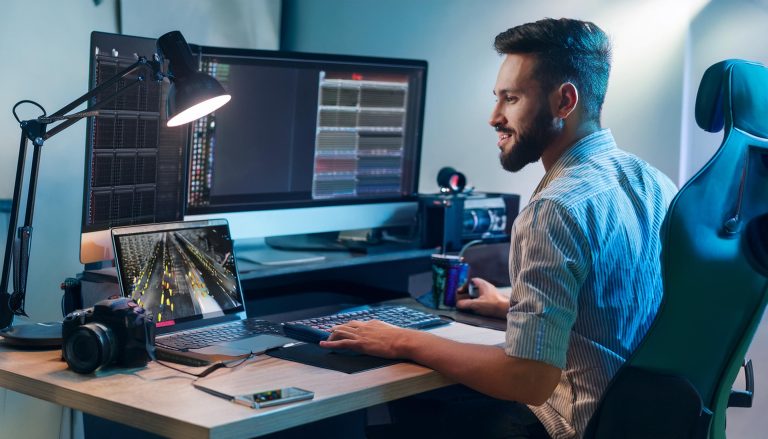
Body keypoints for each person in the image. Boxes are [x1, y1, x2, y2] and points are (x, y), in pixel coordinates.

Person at [320, 17, 677, 439]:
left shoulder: (555, 209)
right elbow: (621, 308)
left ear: (565, 101)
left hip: (574, 427)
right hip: (639, 422)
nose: (494, 117)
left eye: (511, 98)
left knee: (394, 412)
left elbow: (527, 379)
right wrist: (515, 311)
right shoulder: (653, 183)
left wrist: (401, 340)